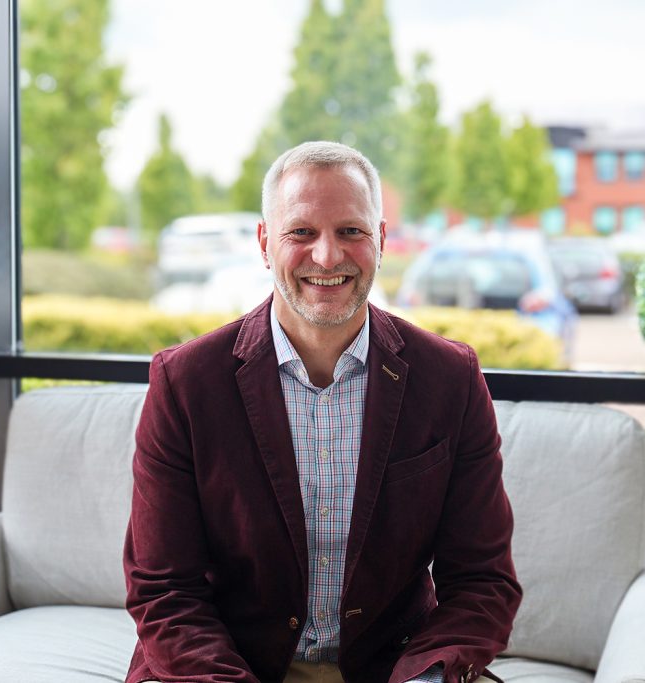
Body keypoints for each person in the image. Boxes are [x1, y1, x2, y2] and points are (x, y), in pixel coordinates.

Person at [123, 141, 521, 683]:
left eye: (351, 231)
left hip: (392, 670)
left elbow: (482, 581)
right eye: (302, 232)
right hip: (219, 668)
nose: (328, 256)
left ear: (380, 241)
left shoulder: (449, 378)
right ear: (266, 243)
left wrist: (426, 679)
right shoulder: (185, 383)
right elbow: (164, 590)